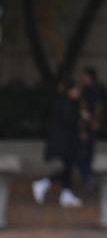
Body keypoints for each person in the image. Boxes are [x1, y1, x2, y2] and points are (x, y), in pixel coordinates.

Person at [31, 78, 84, 207]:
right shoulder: (66, 103)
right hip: (63, 142)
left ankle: (65, 194)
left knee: (68, 167)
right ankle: (45, 183)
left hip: (66, 142)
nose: (78, 93)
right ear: (70, 91)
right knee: (66, 167)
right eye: (76, 90)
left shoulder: (68, 102)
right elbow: (68, 121)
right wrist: (81, 118)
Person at [76, 67, 101, 191]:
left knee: (83, 155)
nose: (83, 79)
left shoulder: (90, 91)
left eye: (85, 76)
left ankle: (88, 177)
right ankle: (88, 177)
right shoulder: (88, 90)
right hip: (88, 127)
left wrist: (84, 129)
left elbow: (87, 111)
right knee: (85, 155)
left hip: (87, 128)